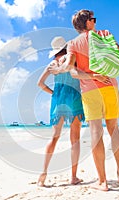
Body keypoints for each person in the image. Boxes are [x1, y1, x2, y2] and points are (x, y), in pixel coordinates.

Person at [49, 9, 119, 191]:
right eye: (93, 19)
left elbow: (71, 68)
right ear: (88, 22)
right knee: (113, 129)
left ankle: (103, 181)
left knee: (95, 131)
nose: (95, 21)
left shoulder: (73, 44)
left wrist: (60, 70)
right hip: (110, 85)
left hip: (90, 91)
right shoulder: (105, 34)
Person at [37, 36, 84, 187]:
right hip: (74, 98)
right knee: (74, 139)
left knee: (54, 137)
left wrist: (54, 93)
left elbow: (40, 83)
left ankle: (43, 175)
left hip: (57, 102)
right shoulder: (71, 58)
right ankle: (74, 177)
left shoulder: (52, 64)